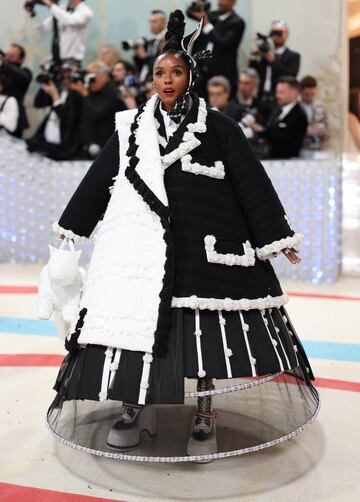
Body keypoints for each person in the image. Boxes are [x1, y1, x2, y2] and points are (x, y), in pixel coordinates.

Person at [46, 10, 319, 462]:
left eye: (176, 72)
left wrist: (276, 235)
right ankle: (138, 406)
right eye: (159, 72)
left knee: (204, 338)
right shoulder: (130, 127)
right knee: (138, 327)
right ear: (151, 78)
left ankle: (205, 409)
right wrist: (70, 231)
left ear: (190, 75)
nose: (166, 80)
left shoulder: (221, 128)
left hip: (206, 254)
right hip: (143, 252)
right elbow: (98, 180)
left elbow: (252, 184)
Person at [189, 0, 246, 98]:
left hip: (222, 74)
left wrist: (207, 25)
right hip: (202, 73)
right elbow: (191, 13)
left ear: (233, 2)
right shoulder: (212, 15)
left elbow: (222, 43)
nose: (221, 2)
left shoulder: (237, 22)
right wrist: (199, 4)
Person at [70, 60, 124, 158]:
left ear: (103, 76)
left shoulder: (113, 92)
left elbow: (97, 113)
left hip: (104, 150)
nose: (89, 81)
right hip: (85, 149)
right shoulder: (91, 89)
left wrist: (84, 93)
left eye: (92, 78)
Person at [26, 67, 82, 159]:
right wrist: (45, 85)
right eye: (62, 77)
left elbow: (67, 120)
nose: (65, 80)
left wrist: (55, 97)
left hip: (62, 147)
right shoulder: (59, 90)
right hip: (45, 141)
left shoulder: (77, 96)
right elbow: (38, 103)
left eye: (68, 77)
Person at [252, 76, 308, 159]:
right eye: (277, 92)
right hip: (268, 158)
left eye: (281, 92)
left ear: (294, 93)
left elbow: (286, 141)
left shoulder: (300, 115)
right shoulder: (277, 109)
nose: (276, 95)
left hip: (286, 163)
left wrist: (262, 131)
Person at [249, 19, 300, 107]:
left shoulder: (293, 56)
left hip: (279, 99)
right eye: (274, 32)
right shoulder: (264, 54)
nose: (277, 35)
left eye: (280, 32)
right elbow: (253, 72)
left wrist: (273, 61)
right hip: (261, 96)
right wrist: (254, 56)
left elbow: (291, 75)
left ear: (287, 34)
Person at [32, 0, 93, 65]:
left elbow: (70, 21)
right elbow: (43, 29)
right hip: (54, 59)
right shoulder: (61, 9)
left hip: (71, 61)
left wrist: (51, 5)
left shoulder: (86, 11)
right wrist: (33, 14)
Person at [0, 43, 32, 137]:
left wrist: (4, 62)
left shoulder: (25, 73)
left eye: (12, 56)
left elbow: (22, 77)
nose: (8, 58)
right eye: (7, 55)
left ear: (21, 59)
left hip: (15, 120)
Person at [133, 10, 167, 83]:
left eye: (155, 21)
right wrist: (137, 56)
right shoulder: (151, 42)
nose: (152, 24)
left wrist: (145, 57)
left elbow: (161, 65)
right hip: (145, 82)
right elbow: (143, 66)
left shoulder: (167, 40)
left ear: (164, 23)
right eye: (150, 22)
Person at [299, 76, 329, 153]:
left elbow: (328, 132)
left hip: (318, 150)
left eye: (313, 94)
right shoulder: (296, 108)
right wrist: (305, 131)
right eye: (307, 95)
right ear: (300, 92)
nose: (310, 97)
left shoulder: (320, 107)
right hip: (300, 150)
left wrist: (322, 132)